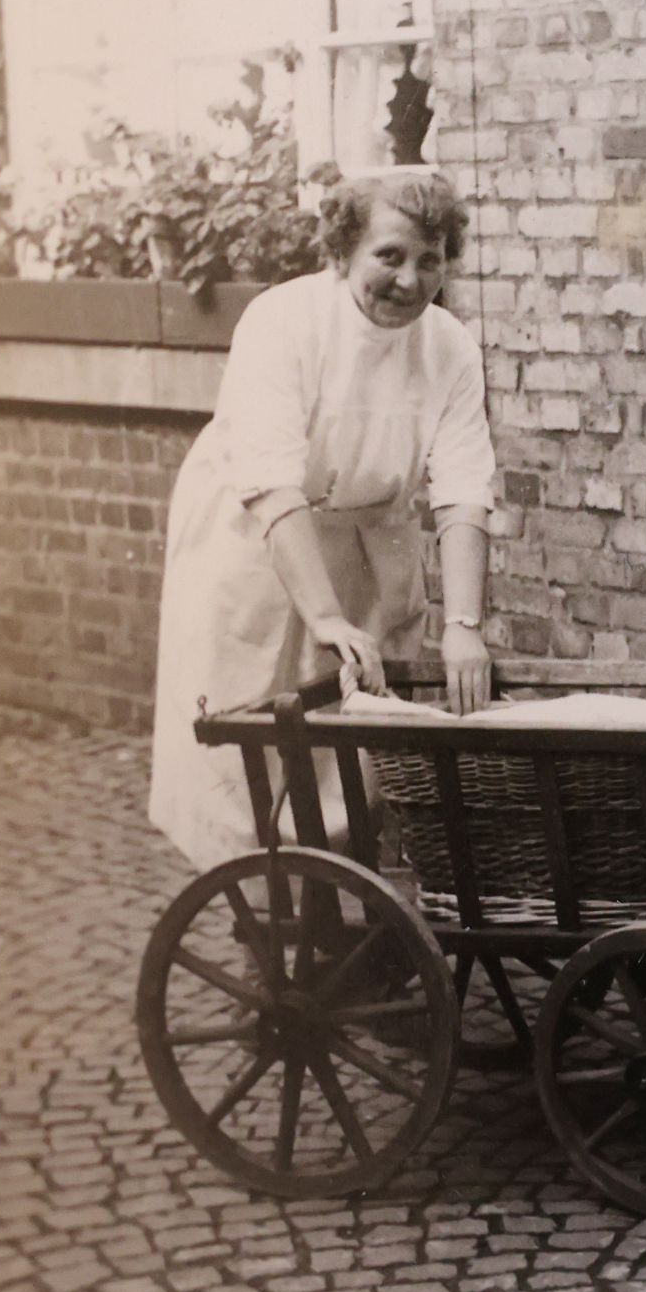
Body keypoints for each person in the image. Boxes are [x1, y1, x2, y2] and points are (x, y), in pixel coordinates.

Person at [149, 172, 495, 868]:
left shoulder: (450, 345)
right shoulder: (283, 322)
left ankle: (341, 913)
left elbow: (462, 486)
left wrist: (465, 626)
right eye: (389, 256)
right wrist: (325, 616)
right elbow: (272, 480)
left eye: (430, 260)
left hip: (370, 542)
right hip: (257, 541)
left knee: (357, 747)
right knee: (252, 739)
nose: (409, 279)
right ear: (343, 251)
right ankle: (265, 919)